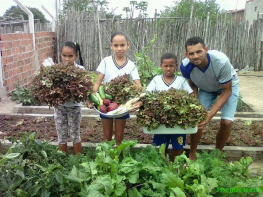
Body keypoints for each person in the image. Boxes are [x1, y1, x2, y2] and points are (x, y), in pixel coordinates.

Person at [180, 36, 239, 160]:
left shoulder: (221, 61)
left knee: (227, 122)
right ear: (186, 55)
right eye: (191, 53)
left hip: (228, 86)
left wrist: (210, 114)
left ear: (206, 49)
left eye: (199, 51)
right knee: (198, 120)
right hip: (206, 89)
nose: (195, 56)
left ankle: (217, 154)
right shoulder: (185, 66)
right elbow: (192, 85)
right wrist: (196, 104)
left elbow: (226, 91)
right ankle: (192, 154)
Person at [91, 31, 142, 145]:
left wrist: (139, 100)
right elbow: (98, 83)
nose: (119, 48)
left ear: (128, 45)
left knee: (119, 136)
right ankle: (106, 158)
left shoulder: (131, 65)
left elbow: (138, 86)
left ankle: (118, 158)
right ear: (111, 46)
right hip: (106, 102)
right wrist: (91, 97)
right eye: (116, 45)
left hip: (122, 105)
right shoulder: (106, 61)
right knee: (107, 135)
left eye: (122, 45)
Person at [146, 52, 193, 161]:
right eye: (165, 66)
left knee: (178, 148)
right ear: (160, 66)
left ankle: (175, 167)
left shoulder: (181, 80)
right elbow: (147, 95)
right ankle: (163, 166)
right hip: (160, 122)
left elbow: (191, 96)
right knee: (161, 148)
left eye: (171, 66)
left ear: (176, 66)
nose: (168, 68)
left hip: (178, 122)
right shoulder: (156, 80)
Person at [54, 41, 84, 154]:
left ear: (76, 56)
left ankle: (78, 160)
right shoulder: (56, 70)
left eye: (70, 56)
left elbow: (85, 90)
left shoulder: (80, 70)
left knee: (75, 135)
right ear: (60, 55)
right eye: (64, 56)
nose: (67, 59)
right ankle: (63, 160)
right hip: (59, 108)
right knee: (61, 135)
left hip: (75, 108)